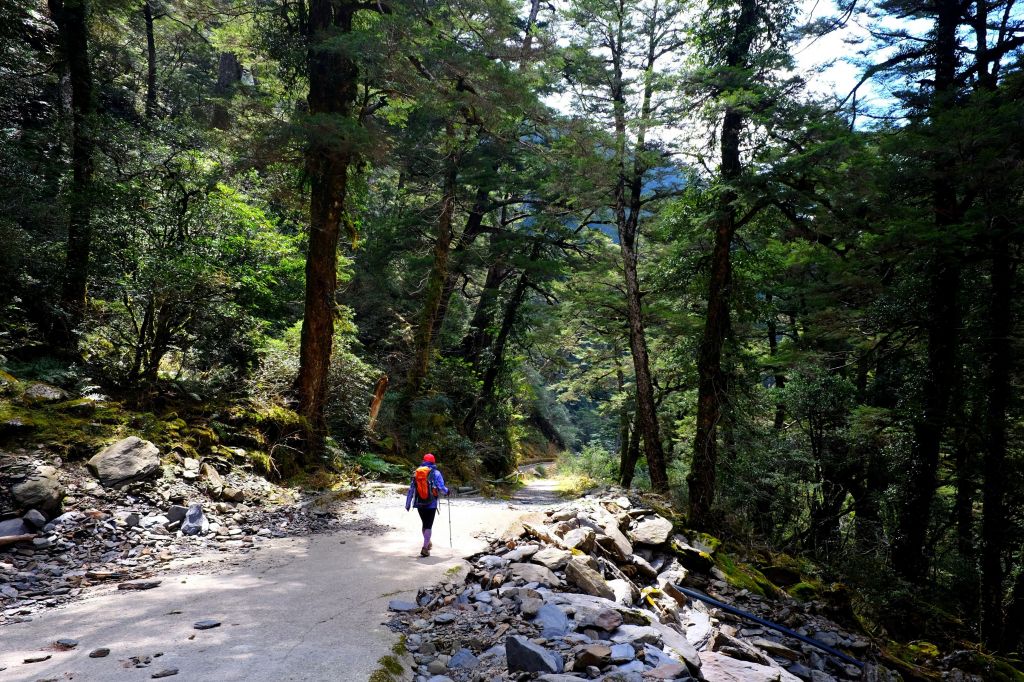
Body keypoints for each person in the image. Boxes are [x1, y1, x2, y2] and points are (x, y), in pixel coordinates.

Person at [405, 453, 449, 556]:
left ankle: (428, 542)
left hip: (419, 503)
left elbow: (411, 489)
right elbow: (441, 487)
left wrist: (408, 504)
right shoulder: (436, 473)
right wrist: (447, 492)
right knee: (428, 525)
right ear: (433, 462)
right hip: (431, 503)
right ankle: (425, 548)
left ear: (423, 461)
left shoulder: (417, 472)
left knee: (424, 524)